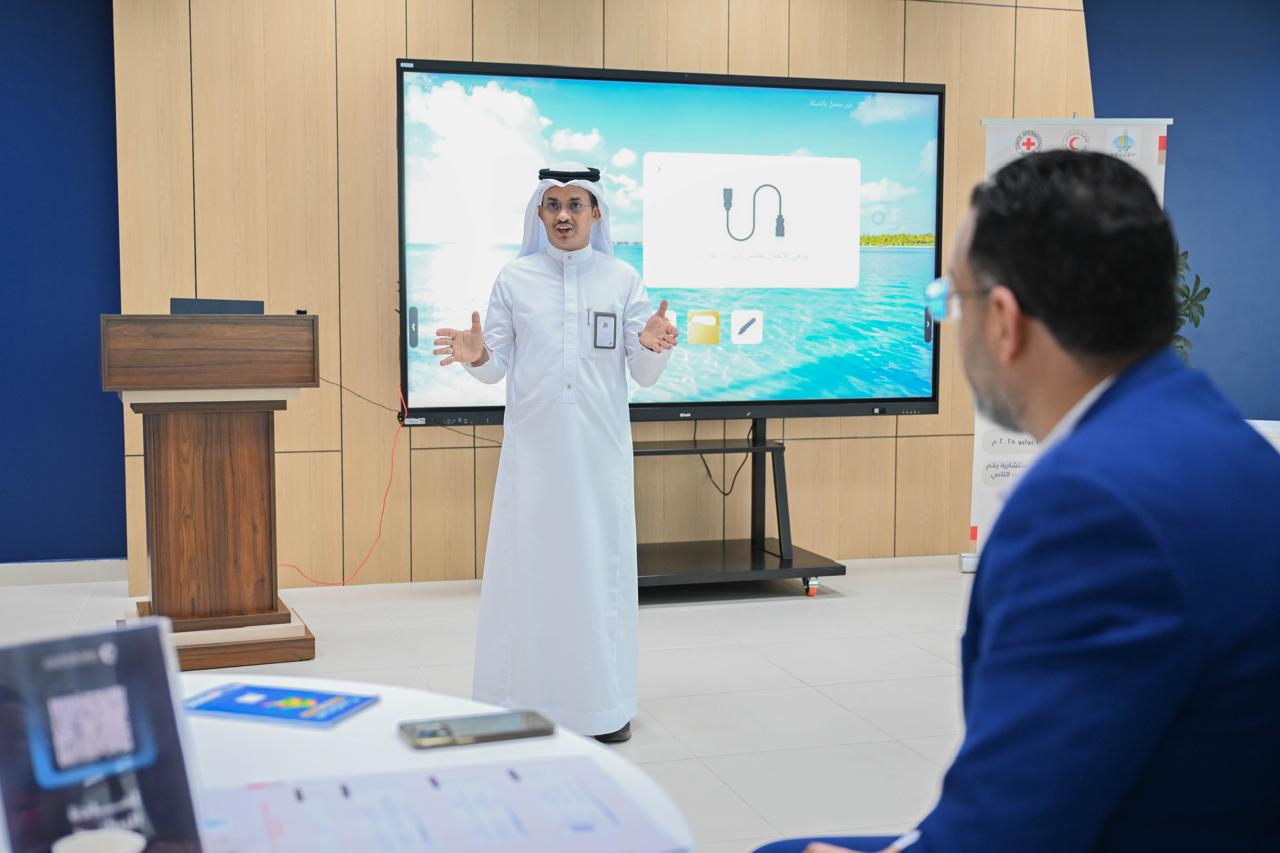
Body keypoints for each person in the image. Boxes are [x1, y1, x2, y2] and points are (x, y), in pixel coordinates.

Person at [758, 151, 1280, 852]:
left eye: (951, 301)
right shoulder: (1227, 441)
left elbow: (1005, 830)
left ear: (1004, 320)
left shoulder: (1089, 508)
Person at [434, 167, 678, 744]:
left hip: (599, 459)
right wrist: (475, 356)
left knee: (598, 579)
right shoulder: (514, 279)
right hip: (534, 460)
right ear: (538, 214)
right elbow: (495, 367)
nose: (563, 215)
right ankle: (518, 703)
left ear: (596, 213)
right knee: (528, 578)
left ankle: (602, 708)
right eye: (552, 205)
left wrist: (652, 346)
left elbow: (645, 374)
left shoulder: (622, 279)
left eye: (575, 204)